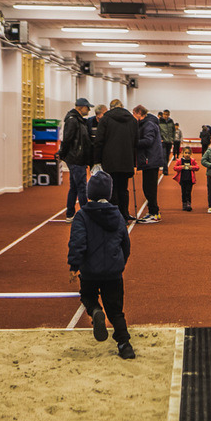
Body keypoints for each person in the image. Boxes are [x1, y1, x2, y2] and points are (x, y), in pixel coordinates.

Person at [67, 171, 135, 359]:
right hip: (113, 272)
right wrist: (121, 263)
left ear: (89, 192)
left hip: (90, 271)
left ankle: (96, 311)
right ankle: (124, 345)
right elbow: (125, 243)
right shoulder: (118, 215)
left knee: (87, 295)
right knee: (116, 311)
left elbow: (77, 242)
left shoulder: (82, 215)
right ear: (109, 193)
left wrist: (74, 266)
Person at [93, 99, 141, 221]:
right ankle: (124, 214)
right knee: (123, 188)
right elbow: (136, 142)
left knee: (112, 188)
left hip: (110, 160)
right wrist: (134, 162)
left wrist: (96, 160)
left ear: (111, 108)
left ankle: (115, 216)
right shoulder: (132, 120)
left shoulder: (105, 119)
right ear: (122, 106)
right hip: (127, 160)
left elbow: (99, 141)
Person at [58, 97, 94, 222]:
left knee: (74, 187)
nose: (89, 110)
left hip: (78, 158)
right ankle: (85, 215)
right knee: (81, 187)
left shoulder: (78, 120)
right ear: (80, 107)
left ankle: (70, 213)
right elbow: (67, 139)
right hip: (76, 158)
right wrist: (62, 153)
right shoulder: (73, 120)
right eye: (87, 107)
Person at [133, 105, 165, 224]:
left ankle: (154, 213)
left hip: (151, 159)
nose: (133, 117)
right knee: (148, 188)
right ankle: (153, 211)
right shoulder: (146, 123)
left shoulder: (149, 124)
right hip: (149, 159)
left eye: (134, 114)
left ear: (139, 113)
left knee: (149, 188)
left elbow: (148, 141)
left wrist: (133, 142)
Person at [172, 145, 199, 211]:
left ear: (191, 154)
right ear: (182, 153)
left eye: (188, 153)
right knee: (183, 192)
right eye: (186, 153)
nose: (187, 154)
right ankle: (184, 203)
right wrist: (181, 167)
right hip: (182, 179)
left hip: (190, 179)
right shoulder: (179, 161)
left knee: (188, 192)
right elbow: (175, 168)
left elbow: (197, 167)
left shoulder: (192, 161)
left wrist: (192, 167)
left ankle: (188, 204)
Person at [159, 110, 176, 175]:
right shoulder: (159, 121)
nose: (166, 116)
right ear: (163, 114)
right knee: (164, 155)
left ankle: (165, 167)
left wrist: (173, 139)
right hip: (163, 141)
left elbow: (173, 130)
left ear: (169, 115)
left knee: (167, 155)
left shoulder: (171, 121)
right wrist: (160, 138)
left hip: (169, 141)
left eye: (167, 114)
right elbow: (158, 130)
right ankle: (165, 170)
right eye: (164, 114)